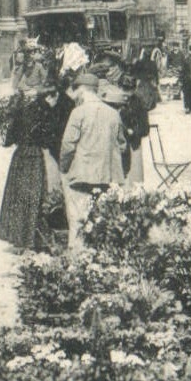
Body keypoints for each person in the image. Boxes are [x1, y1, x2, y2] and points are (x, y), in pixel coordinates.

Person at [0, 84, 73, 251]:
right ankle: (35, 238)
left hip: (19, 157)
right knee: (37, 196)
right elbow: (50, 138)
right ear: (49, 97)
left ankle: (18, 238)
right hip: (37, 157)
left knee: (19, 197)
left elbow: (8, 139)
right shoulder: (46, 113)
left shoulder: (21, 111)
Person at [58, 73, 127, 249]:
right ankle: (103, 256)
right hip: (108, 177)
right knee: (104, 219)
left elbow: (68, 145)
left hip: (82, 176)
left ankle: (78, 259)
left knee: (78, 220)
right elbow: (122, 145)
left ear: (82, 90)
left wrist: (64, 169)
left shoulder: (78, 113)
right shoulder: (113, 113)